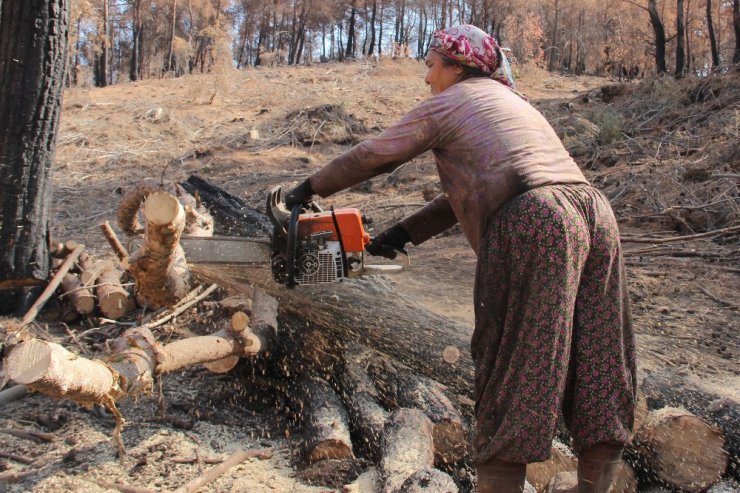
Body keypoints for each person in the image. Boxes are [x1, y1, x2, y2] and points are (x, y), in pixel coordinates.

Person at [284, 24, 636, 493]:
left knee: (511, 357)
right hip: (593, 214)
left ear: (457, 66)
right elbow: (462, 197)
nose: (427, 79)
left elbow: (376, 154)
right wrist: (401, 234)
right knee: (598, 354)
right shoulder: (512, 104)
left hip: (535, 221)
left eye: (431, 67)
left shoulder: (454, 100)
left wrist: (308, 189)